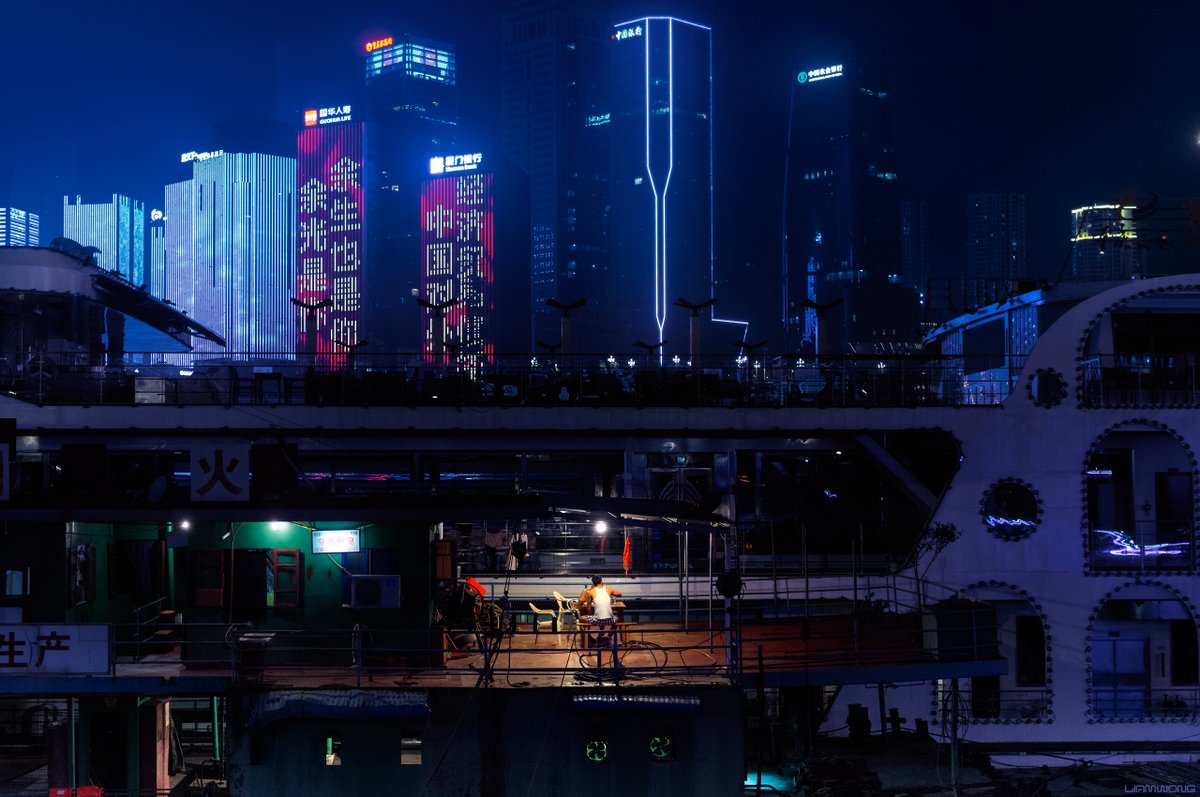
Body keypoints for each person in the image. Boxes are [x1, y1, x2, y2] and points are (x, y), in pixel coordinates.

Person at [578, 576, 622, 668]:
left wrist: (590, 615)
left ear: (593, 583)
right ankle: (607, 637)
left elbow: (589, 608)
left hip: (598, 621)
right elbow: (620, 594)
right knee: (617, 620)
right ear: (602, 581)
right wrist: (611, 593)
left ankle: (592, 638)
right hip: (609, 620)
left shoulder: (590, 592)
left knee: (582, 618)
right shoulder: (608, 589)